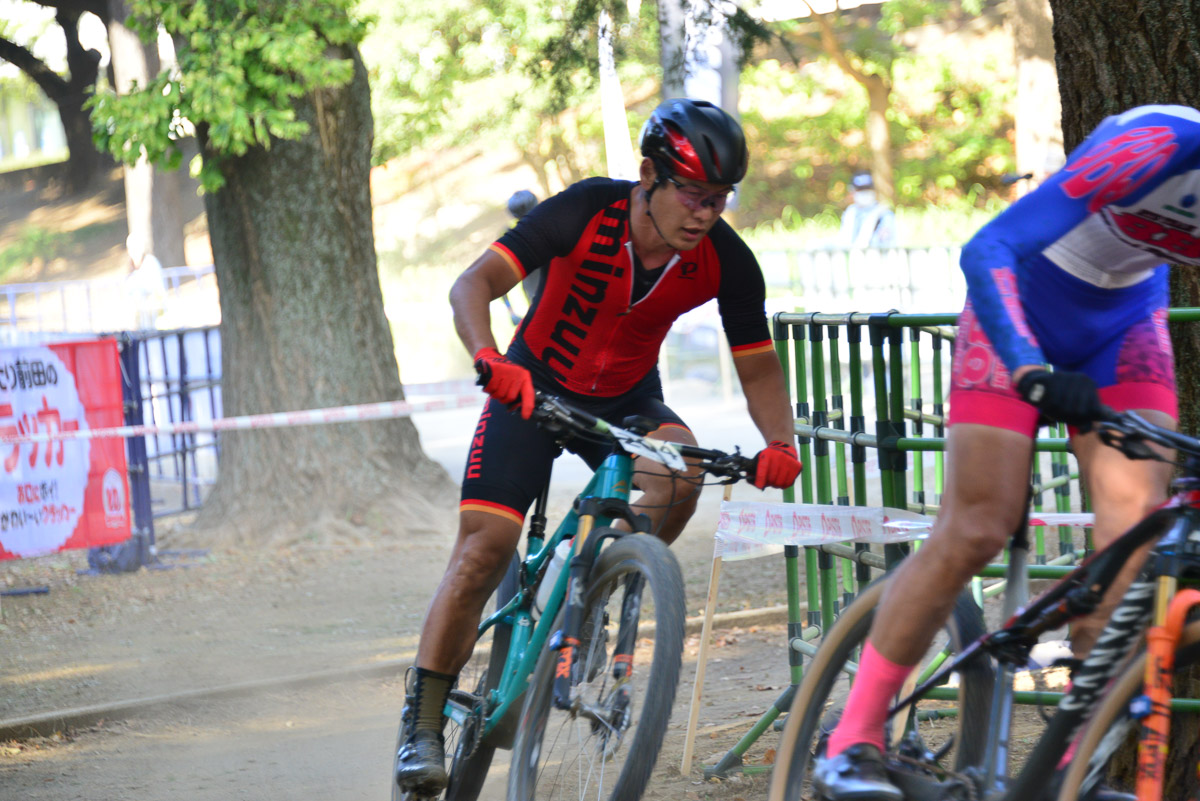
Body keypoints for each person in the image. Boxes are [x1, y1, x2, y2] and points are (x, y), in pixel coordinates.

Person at [395, 98, 803, 796]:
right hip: (533, 387)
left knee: (682, 473)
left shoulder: (726, 260)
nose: (706, 213)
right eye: (694, 195)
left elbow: (757, 360)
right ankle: (422, 721)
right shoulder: (587, 210)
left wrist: (780, 443)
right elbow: (475, 284)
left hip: (625, 400)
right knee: (484, 549)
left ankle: (602, 576)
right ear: (648, 175)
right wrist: (491, 357)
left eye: (719, 198)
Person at [811, 105, 1195, 801]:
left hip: (1126, 321)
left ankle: (1071, 767)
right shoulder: (1166, 142)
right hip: (1018, 307)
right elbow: (989, 248)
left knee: (1135, 535)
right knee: (979, 524)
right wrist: (1026, 367)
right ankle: (854, 736)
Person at [499, 189, 541, 324]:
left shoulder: (511, 239)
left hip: (536, 302)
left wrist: (510, 311)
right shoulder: (553, 227)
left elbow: (499, 282)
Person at [838, 171, 897, 249]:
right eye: (860, 190)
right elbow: (843, 242)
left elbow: (885, 244)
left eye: (867, 189)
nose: (864, 193)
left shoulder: (884, 215)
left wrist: (873, 217)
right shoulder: (851, 212)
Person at [124, 233, 166, 330]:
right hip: (139, 315)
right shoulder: (130, 267)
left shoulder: (151, 263)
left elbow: (154, 288)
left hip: (153, 310)